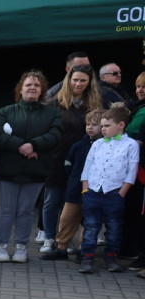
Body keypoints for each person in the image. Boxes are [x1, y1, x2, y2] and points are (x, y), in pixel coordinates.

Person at [0, 70, 63, 263]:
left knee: (26, 211)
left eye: (37, 85)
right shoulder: (6, 111)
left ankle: (21, 247)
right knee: (7, 210)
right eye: (28, 84)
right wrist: (22, 146)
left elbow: (55, 135)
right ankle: (1, 246)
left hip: (36, 171)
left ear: (42, 91)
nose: (32, 88)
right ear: (20, 89)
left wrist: (34, 145)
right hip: (9, 170)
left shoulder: (52, 113)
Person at [42, 65, 104, 253]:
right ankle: (49, 238)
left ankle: (67, 241)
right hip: (56, 157)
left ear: (89, 83)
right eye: (75, 79)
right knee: (52, 201)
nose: (78, 83)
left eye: (82, 80)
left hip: (84, 160)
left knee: (75, 202)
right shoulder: (54, 103)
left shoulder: (95, 104)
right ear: (68, 80)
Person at [79, 106, 140, 273]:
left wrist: (122, 193)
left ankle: (111, 258)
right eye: (102, 126)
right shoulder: (98, 144)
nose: (103, 129)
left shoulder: (131, 145)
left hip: (114, 193)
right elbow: (87, 167)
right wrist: (86, 189)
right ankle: (87, 258)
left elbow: (131, 171)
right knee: (90, 226)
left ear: (121, 125)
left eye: (107, 126)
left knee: (114, 228)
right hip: (93, 192)